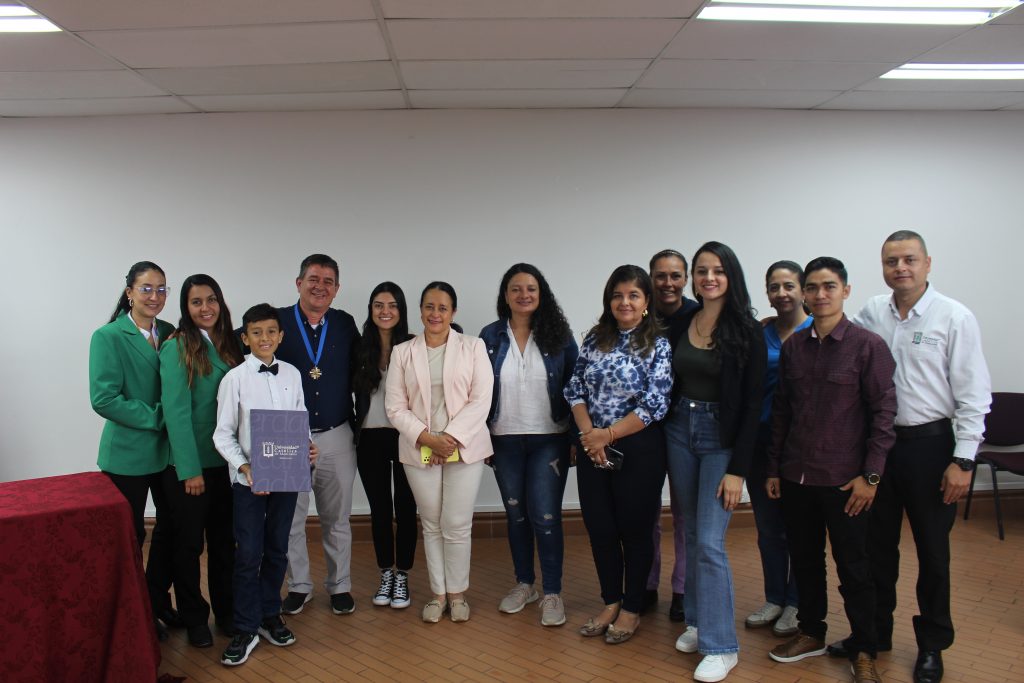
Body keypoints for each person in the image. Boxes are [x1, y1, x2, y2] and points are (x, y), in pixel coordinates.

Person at [833, 231, 992, 683]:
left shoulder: (954, 317)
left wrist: (963, 461)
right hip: (880, 449)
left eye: (909, 259)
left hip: (931, 448)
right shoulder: (871, 314)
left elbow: (974, 396)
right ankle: (875, 634)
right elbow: (834, 335)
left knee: (933, 554)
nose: (900, 267)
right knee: (876, 549)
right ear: (882, 266)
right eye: (890, 261)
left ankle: (932, 645)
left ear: (927, 263)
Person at [765, 257, 896, 683]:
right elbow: (782, 411)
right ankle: (811, 632)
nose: (821, 295)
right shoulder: (792, 348)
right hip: (797, 476)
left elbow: (883, 414)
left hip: (846, 481)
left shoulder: (867, 346)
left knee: (855, 569)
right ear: (803, 292)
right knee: (805, 562)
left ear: (845, 290)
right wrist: (773, 468)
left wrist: (871, 475)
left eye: (830, 286)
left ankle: (864, 647)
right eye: (813, 287)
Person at [667, 242, 765, 683]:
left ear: (732, 276)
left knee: (709, 541)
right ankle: (696, 620)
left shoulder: (746, 330)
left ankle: (722, 645)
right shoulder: (685, 319)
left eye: (718, 270)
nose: (708, 277)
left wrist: (738, 470)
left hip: (720, 437)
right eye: (701, 270)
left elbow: (752, 407)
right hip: (678, 430)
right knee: (688, 530)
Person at [565, 265, 673, 646]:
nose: (624, 302)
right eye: (617, 295)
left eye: (633, 295)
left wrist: (606, 434)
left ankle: (631, 608)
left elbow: (655, 404)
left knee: (636, 530)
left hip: (638, 447)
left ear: (646, 303)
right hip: (592, 446)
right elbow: (574, 387)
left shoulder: (657, 343)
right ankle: (610, 601)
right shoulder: (595, 339)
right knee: (600, 528)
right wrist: (589, 437)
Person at [213, 304, 318, 666]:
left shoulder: (291, 374)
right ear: (245, 338)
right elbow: (222, 434)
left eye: (271, 331)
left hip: (286, 477)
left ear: (281, 336)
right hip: (249, 482)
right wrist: (244, 466)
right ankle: (244, 625)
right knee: (248, 554)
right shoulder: (234, 379)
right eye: (256, 332)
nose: (265, 338)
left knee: (277, 549)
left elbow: (299, 418)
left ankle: (270, 614)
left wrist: (307, 446)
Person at [385, 282, 493, 624]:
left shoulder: (474, 347)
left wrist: (450, 437)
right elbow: (394, 406)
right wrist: (428, 438)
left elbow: (481, 399)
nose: (435, 314)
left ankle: (458, 594)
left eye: (443, 308)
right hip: (420, 448)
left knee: (457, 523)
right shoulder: (403, 352)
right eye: (429, 307)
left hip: (464, 446)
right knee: (431, 523)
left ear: (453, 313)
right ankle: (438, 594)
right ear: (420, 310)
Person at [480, 264, 579, 627]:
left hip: (549, 439)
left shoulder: (560, 336)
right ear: (505, 295)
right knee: (516, 514)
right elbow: (477, 392)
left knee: (546, 516)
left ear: (542, 294)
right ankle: (525, 584)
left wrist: (574, 439)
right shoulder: (489, 336)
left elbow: (575, 389)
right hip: (503, 439)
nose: (524, 295)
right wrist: (480, 438)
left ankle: (552, 592)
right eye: (516, 289)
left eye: (531, 289)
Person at [89, 260, 179, 637]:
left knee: (174, 528)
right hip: (128, 453)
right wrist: (160, 417)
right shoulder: (108, 336)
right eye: (146, 288)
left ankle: (156, 600)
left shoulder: (172, 332)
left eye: (161, 289)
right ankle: (133, 614)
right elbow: (103, 399)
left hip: (170, 452)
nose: (155, 296)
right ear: (129, 292)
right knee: (131, 536)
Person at [159, 274, 244, 647]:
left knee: (225, 544)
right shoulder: (177, 346)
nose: (206, 308)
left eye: (211, 300)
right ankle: (195, 617)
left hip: (228, 463)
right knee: (189, 545)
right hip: (193, 465)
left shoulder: (232, 343)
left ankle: (226, 613)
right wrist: (189, 470)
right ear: (186, 308)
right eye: (197, 302)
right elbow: (176, 413)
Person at [276, 254, 361, 617]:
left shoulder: (344, 324)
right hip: (285, 432)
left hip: (336, 432)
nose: (320, 286)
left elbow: (369, 363)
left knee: (336, 517)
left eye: (328, 281)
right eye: (313, 278)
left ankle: (339, 585)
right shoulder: (275, 321)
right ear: (298, 283)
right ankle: (299, 586)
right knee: (289, 518)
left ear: (337, 289)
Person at [744, 261, 811, 637]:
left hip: (801, 447)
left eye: (789, 286)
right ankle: (774, 597)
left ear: (802, 290)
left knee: (800, 528)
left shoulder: (816, 330)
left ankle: (797, 602)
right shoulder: (760, 334)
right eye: (774, 287)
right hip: (761, 444)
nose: (782, 293)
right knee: (769, 528)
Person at [352, 282, 417, 610]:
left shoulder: (415, 345)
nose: (385, 311)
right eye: (378, 305)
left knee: (406, 507)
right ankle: (385, 573)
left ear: (401, 310)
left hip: (406, 435)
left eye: (392, 305)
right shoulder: (360, 346)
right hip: (370, 437)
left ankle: (403, 574)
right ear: (371, 309)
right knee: (379, 509)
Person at [646, 249, 699, 621]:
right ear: (651, 278)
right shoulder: (638, 313)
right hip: (645, 428)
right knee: (647, 511)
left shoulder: (699, 315)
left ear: (686, 279)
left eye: (675, 275)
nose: (668, 283)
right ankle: (648, 584)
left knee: (685, 512)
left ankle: (682, 588)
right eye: (661, 276)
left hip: (686, 427)